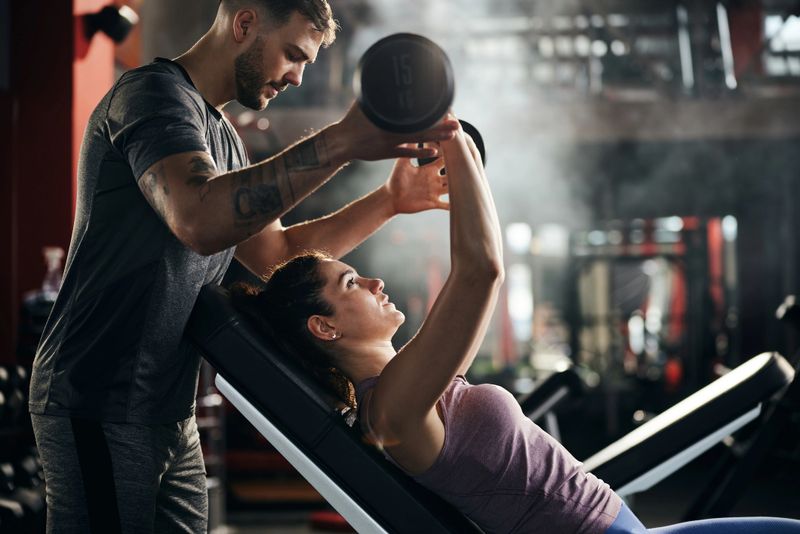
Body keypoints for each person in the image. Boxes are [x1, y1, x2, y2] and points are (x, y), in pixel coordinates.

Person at [231, 120, 800, 534]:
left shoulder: (405, 388)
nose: (376, 283)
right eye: (351, 284)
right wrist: (452, 140)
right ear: (324, 329)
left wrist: (418, 180)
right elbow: (481, 272)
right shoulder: (392, 409)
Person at [28, 0, 459, 532]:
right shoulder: (151, 96)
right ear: (245, 22)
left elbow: (276, 255)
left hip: (166, 405)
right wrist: (343, 140)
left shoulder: (223, 138)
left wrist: (390, 200)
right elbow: (199, 219)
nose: (299, 77)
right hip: (97, 393)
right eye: (294, 54)